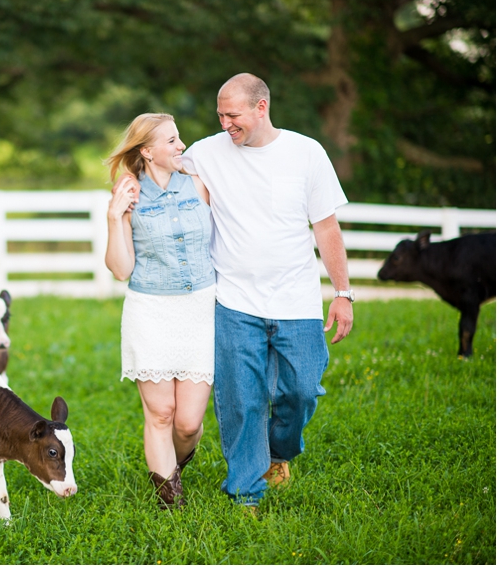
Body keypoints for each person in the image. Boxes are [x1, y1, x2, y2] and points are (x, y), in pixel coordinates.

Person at [183, 73, 354, 509]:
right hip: (234, 300)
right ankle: (246, 491)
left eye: (233, 114)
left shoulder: (306, 153)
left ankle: (279, 452)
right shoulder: (204, 154)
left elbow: (327, 227)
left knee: (302, 391)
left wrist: (342, 292)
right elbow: (165, 183)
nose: (225, 123)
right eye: (219, 114)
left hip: (297, 299)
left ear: (262, 107)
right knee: (242, 399)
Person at [105, 113, 216, 509]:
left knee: (188, 422)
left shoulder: (201, 183)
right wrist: (114, 217)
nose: (181, 145)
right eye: (171, 140)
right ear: (147, 151)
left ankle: (175, 466)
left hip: (200, 309)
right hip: (150, 310)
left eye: (179, 138)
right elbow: (121, 269)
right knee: (161, 413)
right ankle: (170, 501)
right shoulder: (129, 194)